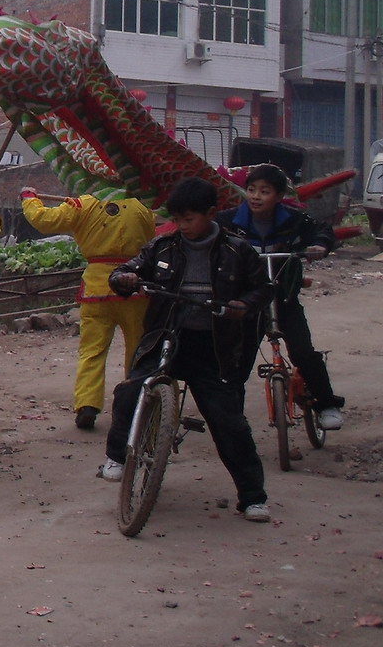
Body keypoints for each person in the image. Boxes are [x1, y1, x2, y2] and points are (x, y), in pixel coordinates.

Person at [105, 177, 273, 520]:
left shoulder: (237, 250)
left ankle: (253, 496)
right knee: (130, 392)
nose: (182, 226)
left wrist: (244, 304)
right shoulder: (162, 247)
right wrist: (124, 279)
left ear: (210, 214)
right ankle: (117, 457)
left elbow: (262, 289)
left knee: (230, 423)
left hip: (212, 347)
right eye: (177, 219)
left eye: (189, 219)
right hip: (166, 337)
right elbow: (126, 270)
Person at [220, 163, 344, 432]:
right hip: (247, 301)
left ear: (278, 196)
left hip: (283, 299)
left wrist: (320, 246)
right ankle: (231, 420)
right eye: (251, 190)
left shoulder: (295, 220)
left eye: (264, 191)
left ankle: (327, 405)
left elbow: (322, 231)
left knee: (303, 353)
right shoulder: (229, 222)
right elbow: (207, 238)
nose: (255, 196)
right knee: (236, 362)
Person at [21, 186, 156, 430]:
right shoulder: (144, 204)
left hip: (97, 289)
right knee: (138, 350)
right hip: (135, 286)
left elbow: (44, 220)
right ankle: (136, 403)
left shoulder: (83, 204)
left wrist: (30, 198)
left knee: (92, 351)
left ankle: (87, 405)